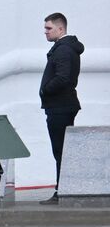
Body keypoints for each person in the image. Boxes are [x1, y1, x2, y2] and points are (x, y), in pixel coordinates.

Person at [40, 12, 83, 204]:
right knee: (62, 150)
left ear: (60, 28)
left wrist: (45, 90)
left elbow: (63, 77)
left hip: (60, 106)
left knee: (60, 150)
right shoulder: (65, 48)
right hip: (62, 105)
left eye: (48, 28)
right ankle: (63, 190)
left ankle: (61, 192)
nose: (45, 32)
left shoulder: (64, 50)